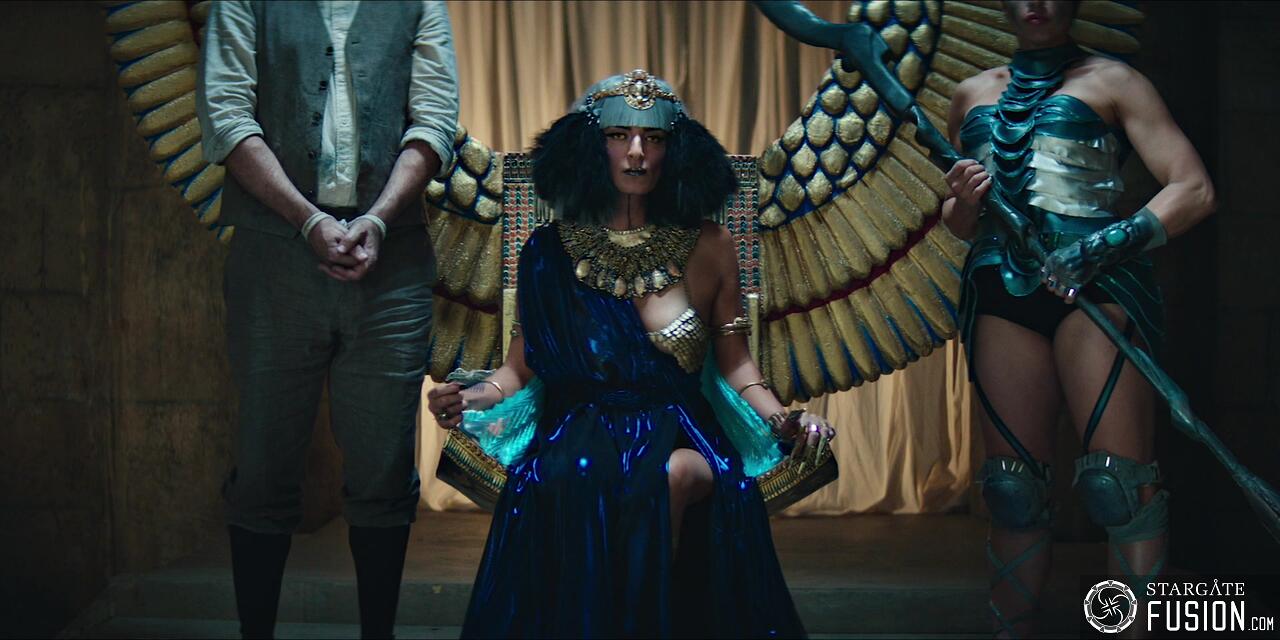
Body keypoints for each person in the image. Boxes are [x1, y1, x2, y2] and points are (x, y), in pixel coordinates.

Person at [426, 69, 835, 638]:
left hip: (679, 427)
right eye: (619, 136)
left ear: (678, 151)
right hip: (578, 430)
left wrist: (781, 419)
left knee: (672, 475)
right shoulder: (547, 249)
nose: (637, 152)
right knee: (572, 472)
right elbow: (518, 370)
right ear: (589, 147)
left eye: (655, 138)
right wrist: (468, 398)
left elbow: (736, 363)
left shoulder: (712, 244)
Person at [941, 1, 1215, 636]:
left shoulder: (1115, 81)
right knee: (1012, 492)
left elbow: (1194, 188)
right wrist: (962, 204)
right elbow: (958, 222)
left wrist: (1102, 245)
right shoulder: (970, 94)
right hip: (1000, 291)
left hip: (1099, 287)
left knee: (1120, 488)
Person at [195, 1, 459, 637]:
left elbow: (434, 121)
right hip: (273, 264)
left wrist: (377, 218)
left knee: (384, 469)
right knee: (263, 467)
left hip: (392, 266)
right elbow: (226, 114)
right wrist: (306, 219)